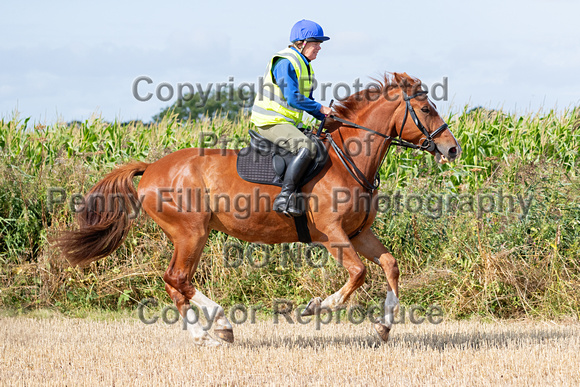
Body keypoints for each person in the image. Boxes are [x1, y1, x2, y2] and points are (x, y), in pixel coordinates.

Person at [251, 19, 332, 217]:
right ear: (301, 43)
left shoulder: (306, 66)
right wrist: (320, 108)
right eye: (315, 43)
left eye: (320, 44)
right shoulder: (286, 61)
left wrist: (326, 117)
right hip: (270, 121)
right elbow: (293, 98)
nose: (319, 48)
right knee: (307, 147)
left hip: (287, 122)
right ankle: (284, 196)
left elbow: (307, 101)